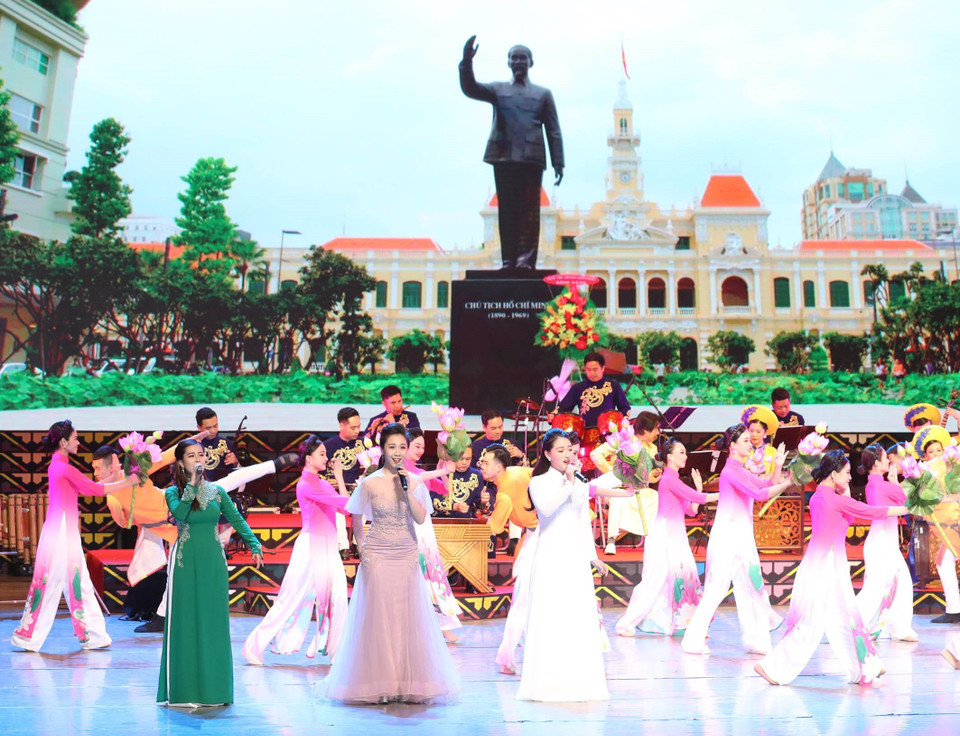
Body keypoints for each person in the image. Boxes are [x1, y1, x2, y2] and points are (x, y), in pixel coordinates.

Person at [323, 424, 459, 705]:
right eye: (391, 447)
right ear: (382, 449)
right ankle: (379, 682)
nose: (397, 453)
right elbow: (356, 515)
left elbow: (421, 519)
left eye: (401, 447)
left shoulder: (416, 482)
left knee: (406, 616)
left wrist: (407, 490)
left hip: (406, 553)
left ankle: (407, 682)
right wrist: (362, 547)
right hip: (378, 555)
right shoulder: (369, 482)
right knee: (379, 617)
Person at [755, 451, 908, 686]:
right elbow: (872, 512)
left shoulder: (820, 496)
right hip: (826, 565)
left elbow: (845, 521)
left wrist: (845, 495)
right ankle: (773, 667)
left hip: (826, 563)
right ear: (833, 473)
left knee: (844, 619)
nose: (849, 477)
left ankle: (866, 666)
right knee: (813, 622)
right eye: (846, 473)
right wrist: (908, 509)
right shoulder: (833, 499)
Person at [11, 421, 138, 652]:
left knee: (73, 583)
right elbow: (95, 490)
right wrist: (127, 482)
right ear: (63, 441)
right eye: (76, 438)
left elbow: (89, 486)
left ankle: (89, 635)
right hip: (61, 532)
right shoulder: (63, 468)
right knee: (57, 583)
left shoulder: (59, 466)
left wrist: (119, 479)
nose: (79, 442)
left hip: (61, 529)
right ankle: (33, 635)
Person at [158, 439, 264, 708]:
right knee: (186, 623)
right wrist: (192, 485)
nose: (198, 459)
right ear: (181, 463)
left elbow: (237, 518)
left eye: (201, 454)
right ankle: (183, 690)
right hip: (184, 563)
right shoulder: (172, 492)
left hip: (212, 563)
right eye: (191, 456)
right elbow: (181, 513)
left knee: (213, 624)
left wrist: (254, 543)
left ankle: (215, 691)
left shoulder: (217, 491)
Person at [681, 424, 791, 656]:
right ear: (732, 446)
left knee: (753, 587)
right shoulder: (731, 472)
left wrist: (779, 465)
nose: (750, 443)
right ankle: (692, 640)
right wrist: (790, 482)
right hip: (728, 537)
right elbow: (760, 495)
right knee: (716, 589)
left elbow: (766, 484)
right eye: (745, 440)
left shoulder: (741, 470)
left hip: (742, 536)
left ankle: (756, 640)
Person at [515, 428, 608, 702]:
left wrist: (592, 555)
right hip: (551, 556)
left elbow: (581, 519)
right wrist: (568, 482)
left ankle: (579, 684)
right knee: (552, 617)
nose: (568, 454)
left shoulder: (576, 481)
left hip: (574, 557)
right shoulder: (540, 481)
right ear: (547, 454)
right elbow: (546, 508)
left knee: (577, 617)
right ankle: (548, 685)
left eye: (570, 449)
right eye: (561, 450)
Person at [242, 436, 350, 665]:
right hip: (311, 548)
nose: (326, 457)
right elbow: (346, 504)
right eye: (321, 453)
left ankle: (339, 652)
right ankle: (254, 646)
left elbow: (345, 509)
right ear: (309, 459)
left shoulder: (323, 482)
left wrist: (339, 477)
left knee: (339, 597)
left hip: (327, 547)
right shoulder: (307, 484)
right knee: (290, 599)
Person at [459, 36, 563, 270]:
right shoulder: (498, 89)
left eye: (522, 58)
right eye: (513, 58)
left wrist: (559, 162)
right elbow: (471, 88)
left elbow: (553, 130)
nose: (518, 61)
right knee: (506, 210)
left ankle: (526, 259)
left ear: (530, 63)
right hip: (503, 155)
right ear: (508, 63)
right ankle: (508, 260)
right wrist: (466, 62)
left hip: (532, 158)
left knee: (530, 212)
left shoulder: (543, 94)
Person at [615, 439, 719, 637]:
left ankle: (687, 624)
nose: (685, 456)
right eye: (681, 452)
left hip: (675, 533)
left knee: (685, 576)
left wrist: (698, 489)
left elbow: (690, 510)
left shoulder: (676, 481)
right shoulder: (669, 480)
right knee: (654, 579)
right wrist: (725, 494)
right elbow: (699, 500)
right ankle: (626, 624)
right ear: (670, 457)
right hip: (663, 534)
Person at [479, 444, 536, 673]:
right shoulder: (520, 472)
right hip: (537, 535)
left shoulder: (503, 493)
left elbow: (492, 528)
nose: (482, 465)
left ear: (500, 467)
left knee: (522, 599)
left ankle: (507, 655)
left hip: (540, 538)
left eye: (486, 462)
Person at [854, 444, 918, 641]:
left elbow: (901, 503)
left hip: (883, 541)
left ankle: (900, 629)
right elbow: (912, 501)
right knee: (875, 588)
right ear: (875, 463)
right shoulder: (881, 485)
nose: (889, 461)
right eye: (885, 459)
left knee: (902, 583)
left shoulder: (875, 483)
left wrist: (893, 481)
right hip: (882, 543)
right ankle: (850, 625)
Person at [403, 428, 461, 642]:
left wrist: (444, 472)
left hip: (425, 527)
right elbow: (416, 477)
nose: (420, 450)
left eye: (423, 447)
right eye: (416, 446)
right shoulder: (404, 469)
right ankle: (423, 625)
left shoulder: (420, 471)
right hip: (411, 527)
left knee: (434, 574)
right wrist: (440, 470)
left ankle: (443, 626)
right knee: (419, 574)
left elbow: (446, 491)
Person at [912, 424, 960, 623]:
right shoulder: (926, 471)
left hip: (953, 521)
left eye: (939, 450)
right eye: (931, 452)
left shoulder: (952, 467)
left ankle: (954, 611)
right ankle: (954, 610)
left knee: (944, 562)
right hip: (945, 523)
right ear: (924, 455)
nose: (935, 454)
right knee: (943, 562)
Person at [603, 411, 662, 555]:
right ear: (646, 430)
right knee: (618, 499)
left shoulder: (652, 448)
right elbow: (595, 454)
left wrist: (654, 475)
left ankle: (651, 537)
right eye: (656, 428)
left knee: (656, 496)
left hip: (639, 489)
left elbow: (650, 478)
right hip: (617, 488)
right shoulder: (623, 440)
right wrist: (614, 473)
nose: (658, 433)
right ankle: (611, 540)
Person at [472, 409, 527, 556]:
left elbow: (524, 471)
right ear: (484, 427)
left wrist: (520, 455)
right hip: (487, 487)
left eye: (501, 427)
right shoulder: (476, 447)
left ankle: (514, 539)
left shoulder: (512, 444)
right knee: (490, 499)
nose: (498, 431)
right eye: (493, 428)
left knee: (514, 498)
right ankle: (491, 539)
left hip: (509, 487)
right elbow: (472, 472)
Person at [324, 407, 365, 559]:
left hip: (358, 489)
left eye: (359, 426)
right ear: (342, 425)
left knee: (366, 504)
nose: (357, 431)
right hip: (336, 490)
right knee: (337, 508)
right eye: (353, 427)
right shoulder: (328, 446)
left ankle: (357, 543)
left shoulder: (363, 444)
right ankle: (343, 546)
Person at [554, 351, 630, 430]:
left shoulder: (614, 386)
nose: (591, 373)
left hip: (609, 433)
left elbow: (625, 408)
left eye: (595, 369)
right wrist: (553, 415)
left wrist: (618, 423)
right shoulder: (578, 388)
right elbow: (563, 409)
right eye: (588, 370)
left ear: (603, 368)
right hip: (586, 433)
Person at [195, 407, 238, 482]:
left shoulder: (228, 444)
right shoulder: (191, 446)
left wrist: (235, 462)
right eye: (208, 428)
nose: (213, 430)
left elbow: (238, 473)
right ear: (199, 427)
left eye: (215, 426)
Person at [741, 405, 780, 478]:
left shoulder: (772, 451)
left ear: (765, 433)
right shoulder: (742, 449)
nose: (754, 435)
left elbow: (775, 475)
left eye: (758, 432)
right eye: (751, 431)